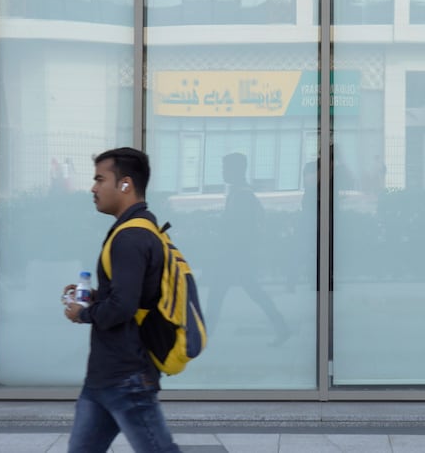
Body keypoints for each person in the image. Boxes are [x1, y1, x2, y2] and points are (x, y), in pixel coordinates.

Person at [63, 147, 180, 453]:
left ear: (125, 184)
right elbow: (128, 295)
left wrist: (81, 313)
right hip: (104, 376)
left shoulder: (131, 237)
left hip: (127, 376)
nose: (93, 187)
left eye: (100, 179)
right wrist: (90, 297)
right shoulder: (135, 229)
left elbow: (123, 307)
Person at [205, 152, 291, 346]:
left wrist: (225, 248)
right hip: (237, 257)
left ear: (236, 170)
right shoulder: (239, 193)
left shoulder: (243, 195)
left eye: (225, 168)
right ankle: (282, 327)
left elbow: (241, 230)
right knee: (252, 293)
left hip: (234, 257)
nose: (223, 172)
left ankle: (202, 336)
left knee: (217, 295)